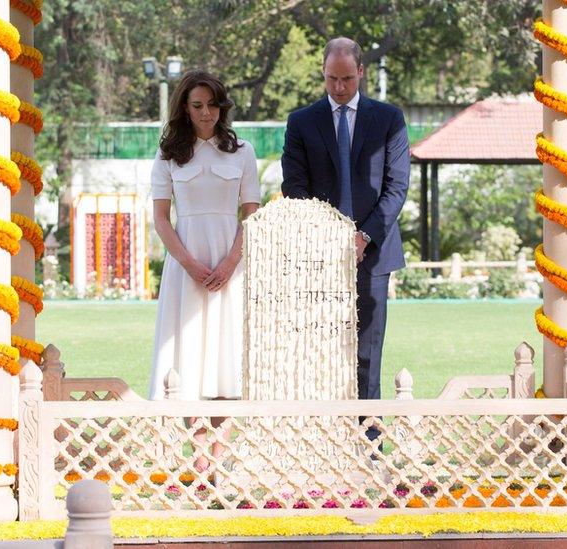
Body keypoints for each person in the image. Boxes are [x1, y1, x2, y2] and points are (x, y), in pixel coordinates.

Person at [281, 37, 411, 416]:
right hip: (318, 257)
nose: (339, 88)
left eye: (347, 80)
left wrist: (363, 235)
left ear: (361, 73)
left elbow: (396, 187)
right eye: (332, 79)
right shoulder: (301, 122)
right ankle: (326, 439)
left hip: (373, 257)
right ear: (323, 73)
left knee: (367, 356)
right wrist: (330, 237)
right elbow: (295, 187)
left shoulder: (389, 119)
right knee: (319, 350)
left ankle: (368, 441)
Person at [148, 69, 261, 472]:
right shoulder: (167, 155)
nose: (206, 113)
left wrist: (232, 261)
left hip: (232, 265)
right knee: (189, 358)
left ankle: (220, 461)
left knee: (227, 358)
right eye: (197, 105)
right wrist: (191, 264)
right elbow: (162, 219)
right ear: (184, 107)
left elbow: (251, 212)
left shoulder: (243, 151)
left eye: (212, 105)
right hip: (186, 268)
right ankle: (198, 465)